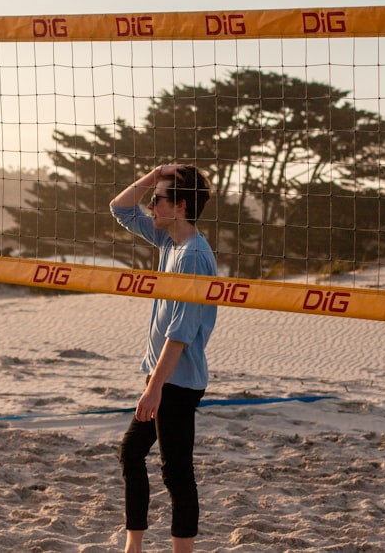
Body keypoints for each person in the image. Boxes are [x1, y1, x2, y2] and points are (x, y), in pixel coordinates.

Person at [110, 163, 217, 553]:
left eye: (159, 200)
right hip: (162, 378)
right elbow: (120, 209)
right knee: (132, 453)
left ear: (181, 206)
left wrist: (154, 390)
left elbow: (181, 334)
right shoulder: (169, 242)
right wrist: (153, 176)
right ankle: (133, 546)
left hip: (176, 380)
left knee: (176, 473)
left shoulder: (191, 256)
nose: (151, 205)